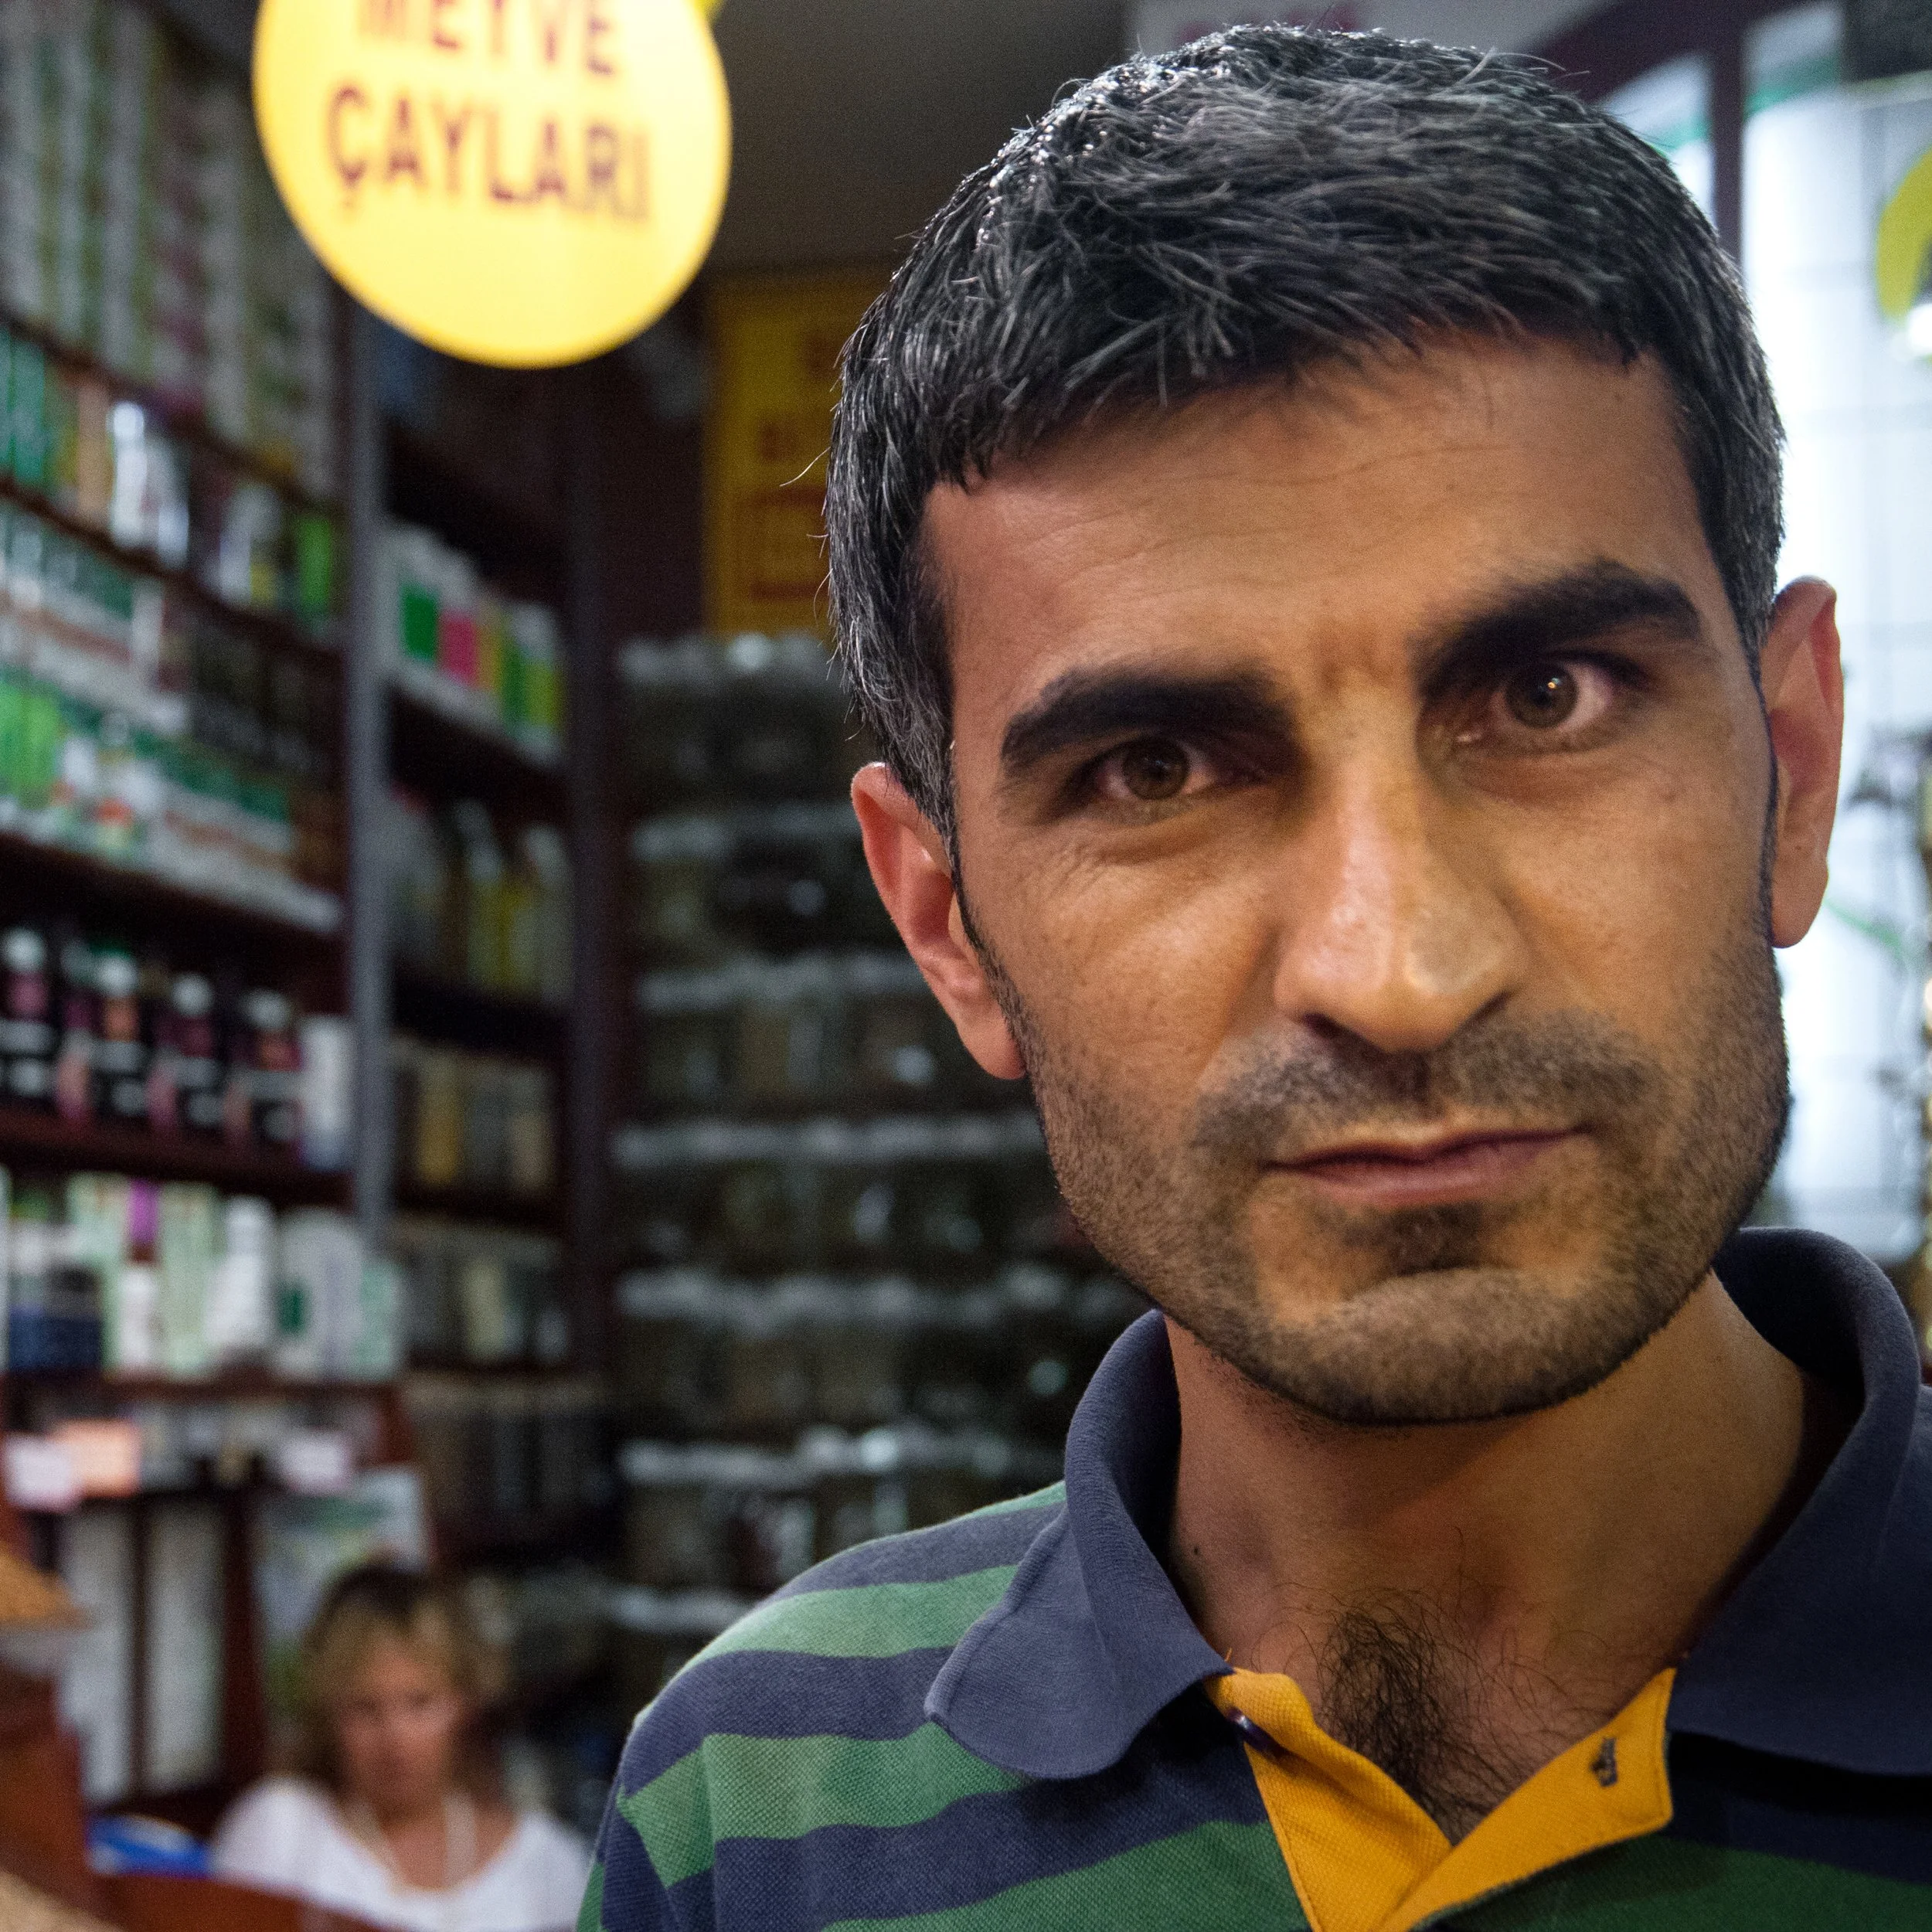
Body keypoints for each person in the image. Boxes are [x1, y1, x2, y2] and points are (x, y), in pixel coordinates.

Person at [583, 25, 1932, 1932]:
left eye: (1548, 698)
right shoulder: (758, 1811)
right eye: (1154, 770)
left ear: (1787, 769)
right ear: (948, 924)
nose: (1396, 972)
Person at [213, 1566, 589, 1932]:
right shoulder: (282, 1831)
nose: (396, 1739)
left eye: (420, 1703)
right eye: (365, 1708)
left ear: (463, 1704)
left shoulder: (549, 1866)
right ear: (329, 1714)